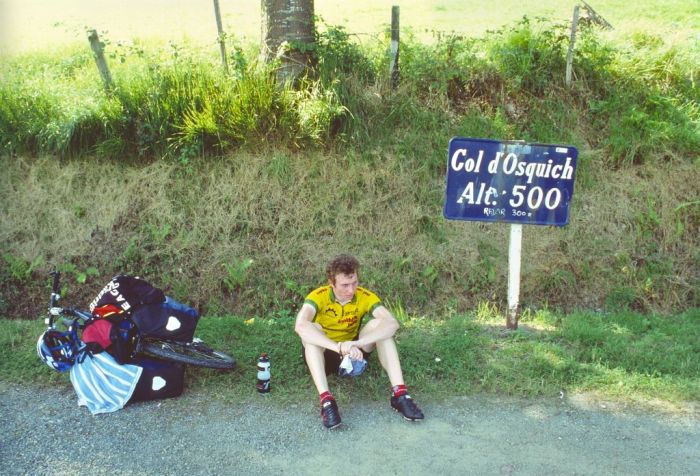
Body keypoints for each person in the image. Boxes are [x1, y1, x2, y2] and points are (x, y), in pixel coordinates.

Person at [294, 254, 424, 429]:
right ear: (331, 284)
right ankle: (326, 401)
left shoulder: (365, 296)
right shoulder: (318, 296)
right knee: (311, 330)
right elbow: (300, 326)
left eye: (354, 282)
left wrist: (357, 344)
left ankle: (400, 395)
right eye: (345, 285)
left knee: (380, 325)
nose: (351, 290)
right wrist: (338, 347)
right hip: (325, 353)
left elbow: (392, 324)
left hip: (354, 352)